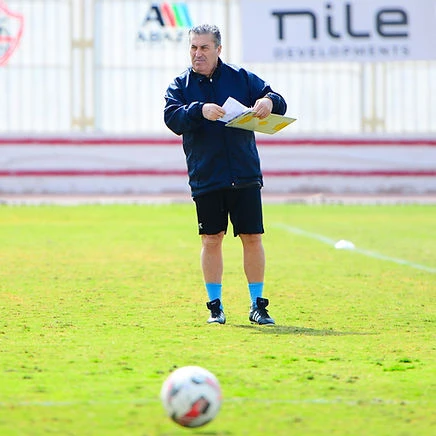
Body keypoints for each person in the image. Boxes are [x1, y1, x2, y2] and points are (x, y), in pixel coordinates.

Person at [164, 24, 287, 325]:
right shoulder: (180, 85)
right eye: (193, 47)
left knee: (252, 237)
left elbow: (278, 100)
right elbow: (172, 117)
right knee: (211, 239)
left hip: (244, 173)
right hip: (206, 175)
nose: (198, 54)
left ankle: (258, 304)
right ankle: (215, 306)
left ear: (219, 49)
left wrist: (268, 102)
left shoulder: (241, 78)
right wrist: (198, 110)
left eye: (204, 48)